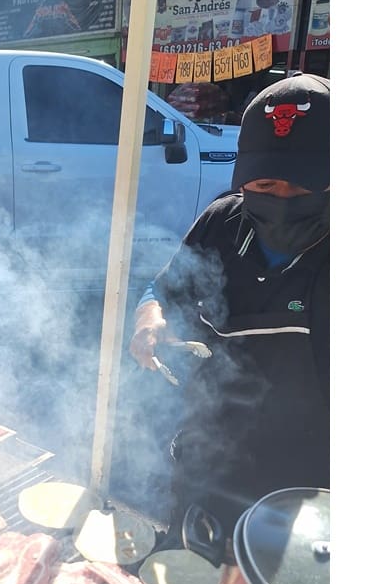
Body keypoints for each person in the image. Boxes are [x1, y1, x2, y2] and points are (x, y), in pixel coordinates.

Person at [128, 73, 330, 530]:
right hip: (206, 466)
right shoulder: (223, 222)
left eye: (300, 188)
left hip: (305, 493)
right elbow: (160, 290)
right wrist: (149, 321)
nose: (279, 200)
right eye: (264, 186)